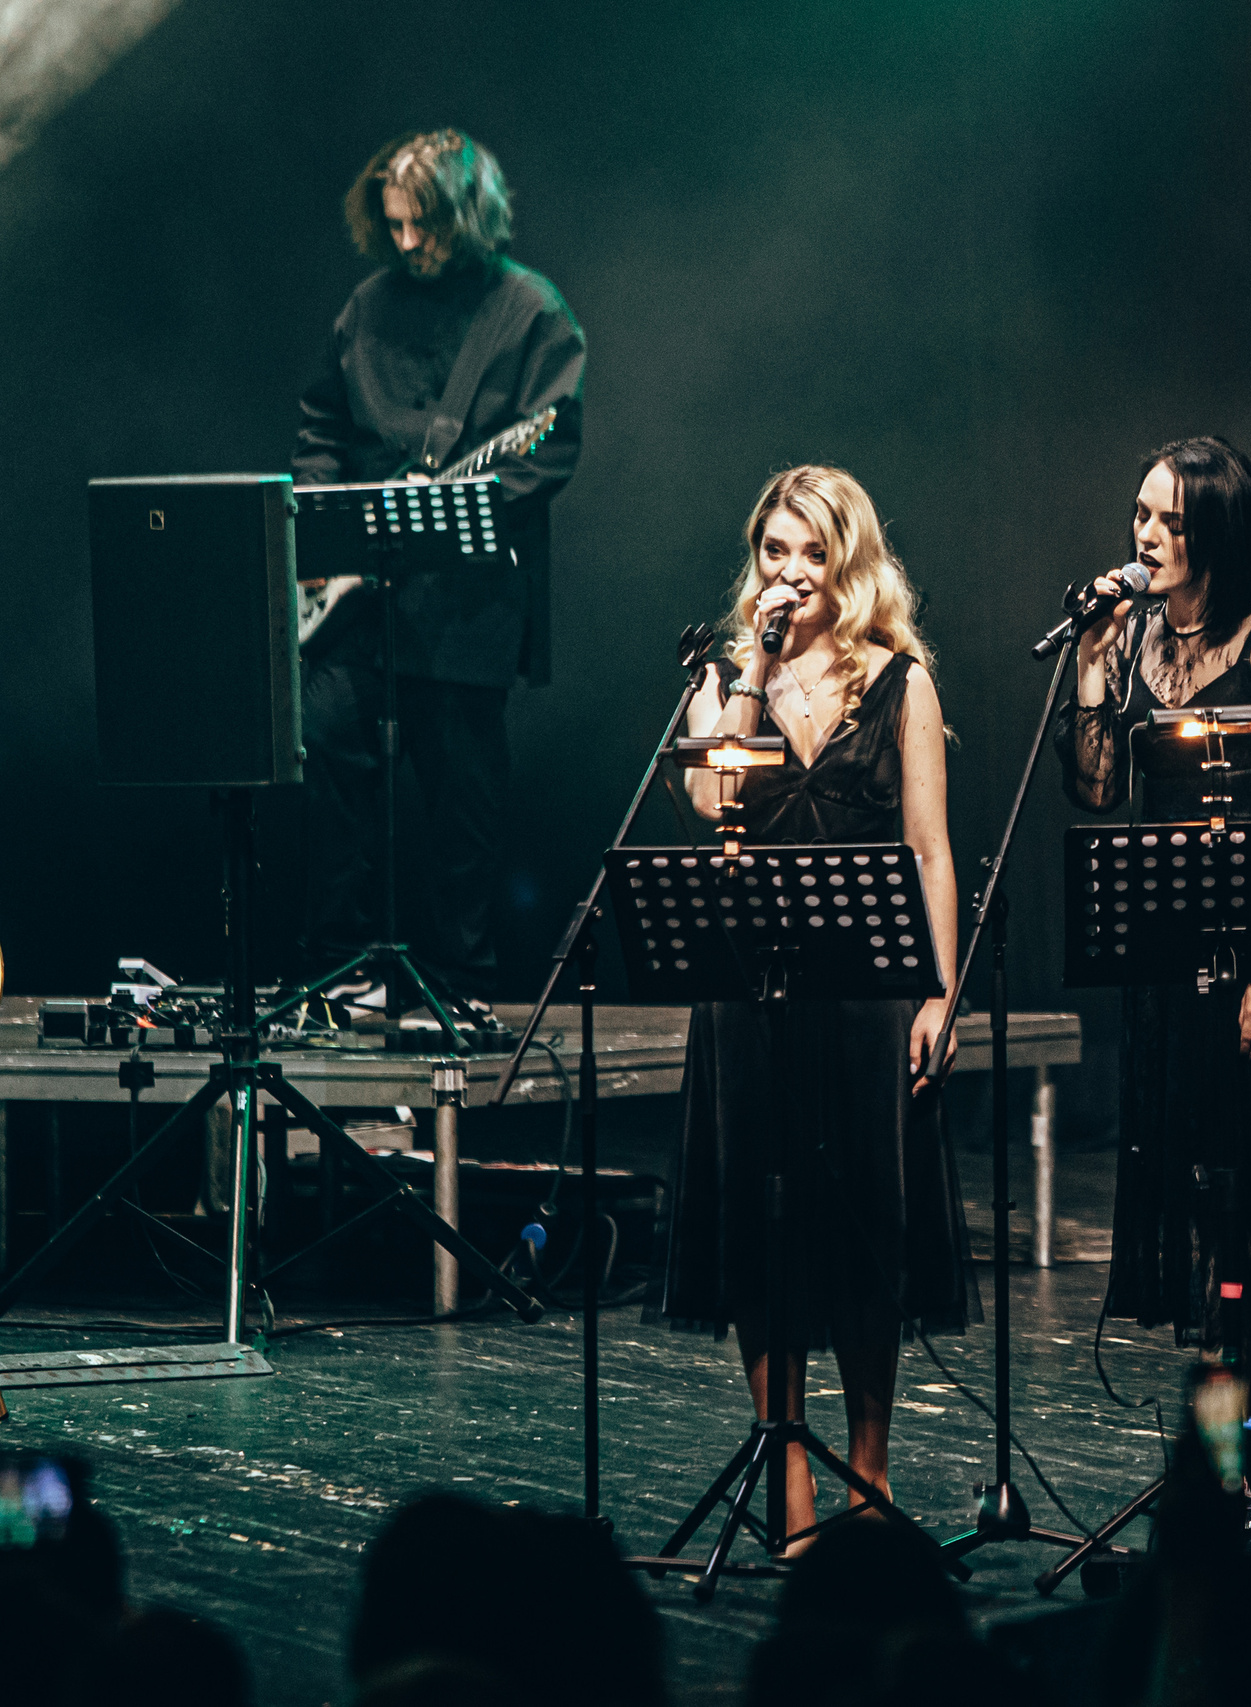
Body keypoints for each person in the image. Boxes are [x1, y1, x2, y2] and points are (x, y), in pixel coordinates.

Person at [1057, 435, 1251, 1519]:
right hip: (1168, 974)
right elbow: (1097, 790)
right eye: (1140, 514)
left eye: (1169, 520)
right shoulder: (1134, 635)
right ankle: (1243, 1460)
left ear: (1217, 534)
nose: (1144, 536)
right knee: (1199, 1219)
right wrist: (1095, 657)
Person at [660, 466, 972, 1547]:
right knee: (761, 1224)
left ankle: (868, 1472)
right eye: (774, 554)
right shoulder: (722, 677)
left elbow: (931, 851)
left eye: (811, 555)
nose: (790, 574)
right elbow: (711, 798)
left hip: (863, 992)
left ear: (849, 566)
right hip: (749, 991)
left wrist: (939, 990)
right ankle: (783, 1466)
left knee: (861, 1229)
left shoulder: (899, 684)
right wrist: (748, 670)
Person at [291, 128, 586, 1013]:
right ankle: (344, 972)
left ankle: (460, 984)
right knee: (330, 754)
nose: (408, 243)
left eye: (424, 224)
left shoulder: (532, 313)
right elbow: (320, 422)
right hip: (357, 605)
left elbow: (549, 444)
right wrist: (329, 522)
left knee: (463, 803)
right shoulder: (367, 303)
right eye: (394, 224)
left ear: (468, 215)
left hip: (465, 608)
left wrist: (448, 511)